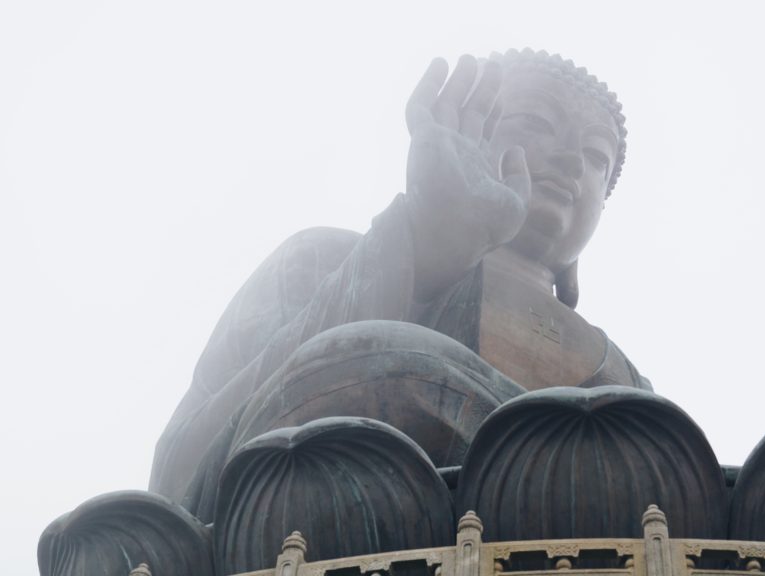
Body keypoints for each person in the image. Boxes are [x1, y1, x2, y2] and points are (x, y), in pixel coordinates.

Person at [150, 49, 650, 514]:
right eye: (537, 123)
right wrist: (426, 246)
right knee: (365, 360)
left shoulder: (627, 377)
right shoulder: (325, 259)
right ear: (471, 128)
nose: (570, 161)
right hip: (341, 524)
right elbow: (178, 481)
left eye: (597, 158)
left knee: (658, 448)